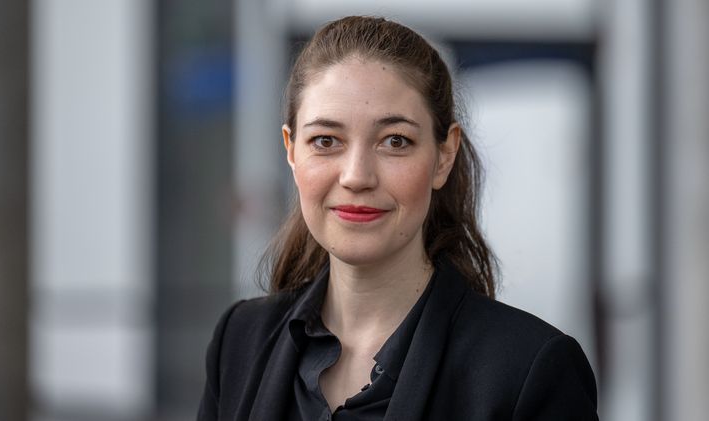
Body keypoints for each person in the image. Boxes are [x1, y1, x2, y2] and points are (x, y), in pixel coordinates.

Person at [197, 16, 598, 421]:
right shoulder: (239, 340)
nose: (356, 176)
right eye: (325, 140)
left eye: (395, 141)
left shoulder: (530, 370)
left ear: (444, 156)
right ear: (291, 150)